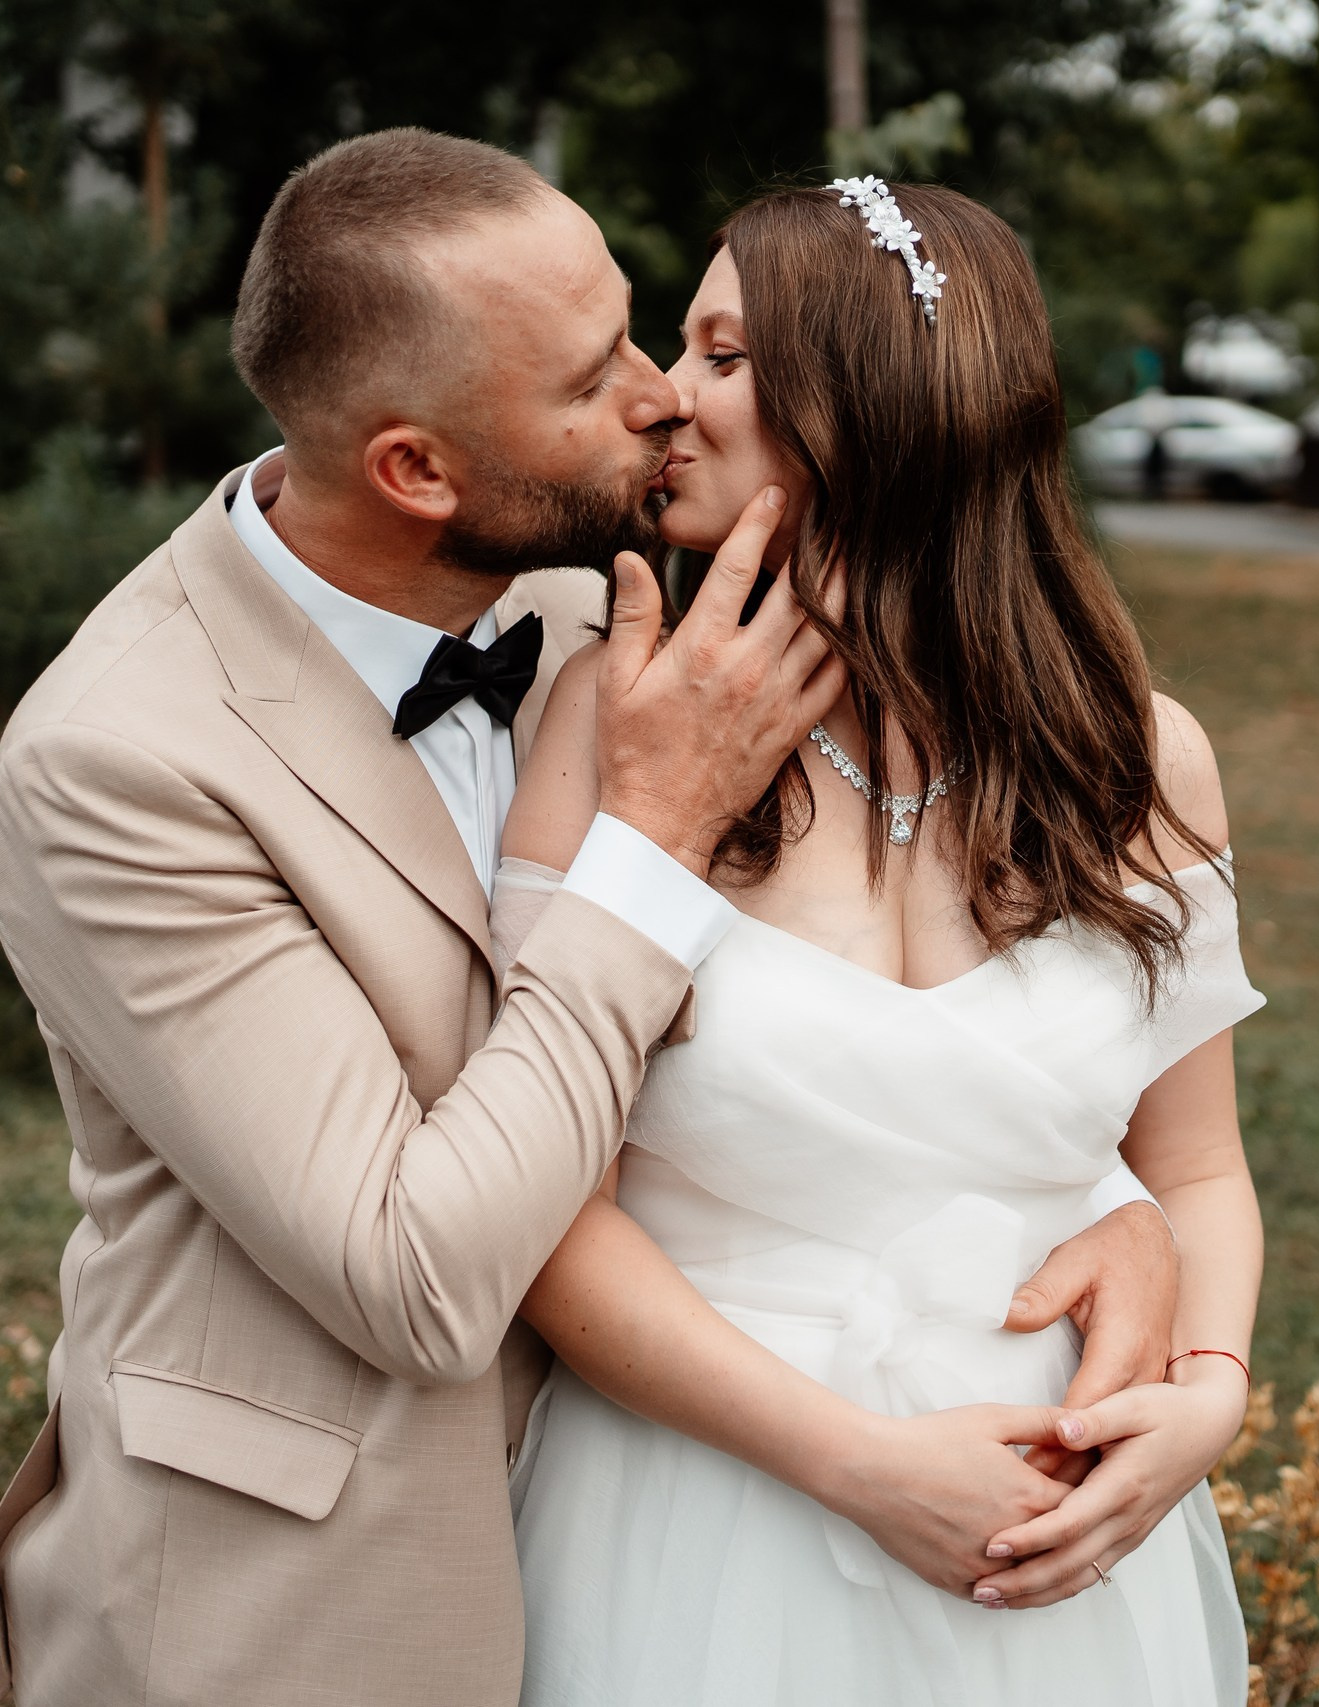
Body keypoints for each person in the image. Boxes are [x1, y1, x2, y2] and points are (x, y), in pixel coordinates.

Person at [0, 132, 1178, 1707]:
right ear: (418, 470)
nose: (660, 393)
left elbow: (893, 966)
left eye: (635, 323)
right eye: (591, 375)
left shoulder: (603, 612)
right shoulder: (121, 764)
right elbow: (413, 1276)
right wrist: (654, 843)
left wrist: (1105, 1197)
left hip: (684, 1516)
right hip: (305, 1590)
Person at [496, 179, 1265, 1705]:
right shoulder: (610, 719)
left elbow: (1197, 1169)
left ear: (864, 408)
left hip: (1060, 1534)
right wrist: (856, 1467)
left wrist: (1209, 1398)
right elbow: (543, 1214)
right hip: (704, 1516)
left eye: (722, 357)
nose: (664, 397)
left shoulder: (1139, 759)